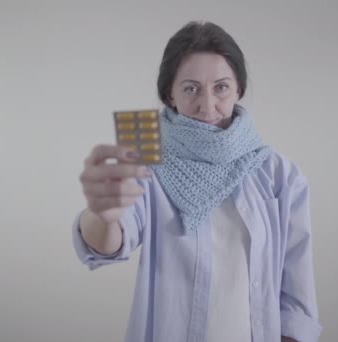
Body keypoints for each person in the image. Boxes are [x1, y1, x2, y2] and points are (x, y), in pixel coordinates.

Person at [73, 21, 322, 342]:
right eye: (191, 88)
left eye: (221, 87)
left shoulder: (279, 174)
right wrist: (100, 215)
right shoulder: (144, 161)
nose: (207, 106)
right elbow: (110, 244)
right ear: (169, 95)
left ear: (238, 90)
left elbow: (297, 291)